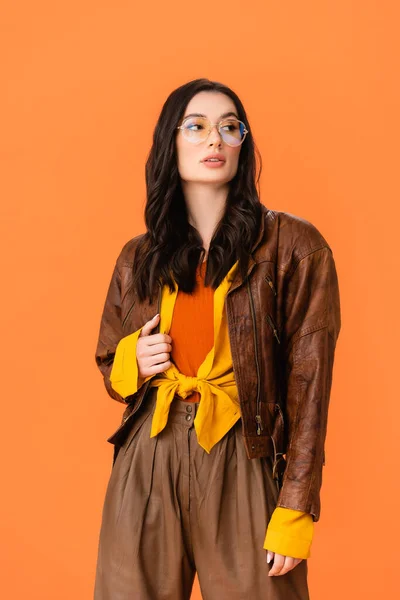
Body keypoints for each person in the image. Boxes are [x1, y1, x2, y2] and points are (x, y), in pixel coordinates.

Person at [93, 78, 341, 600]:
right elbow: (110, 359)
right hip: (149, 455)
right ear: (170, 143)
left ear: (243, 146)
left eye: (230, 128)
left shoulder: (295, 247)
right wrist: (131, 362)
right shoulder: (139, 255)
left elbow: (310, 385)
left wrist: (296, 505)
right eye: (197, 127)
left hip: (244, 451)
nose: (216, 140)